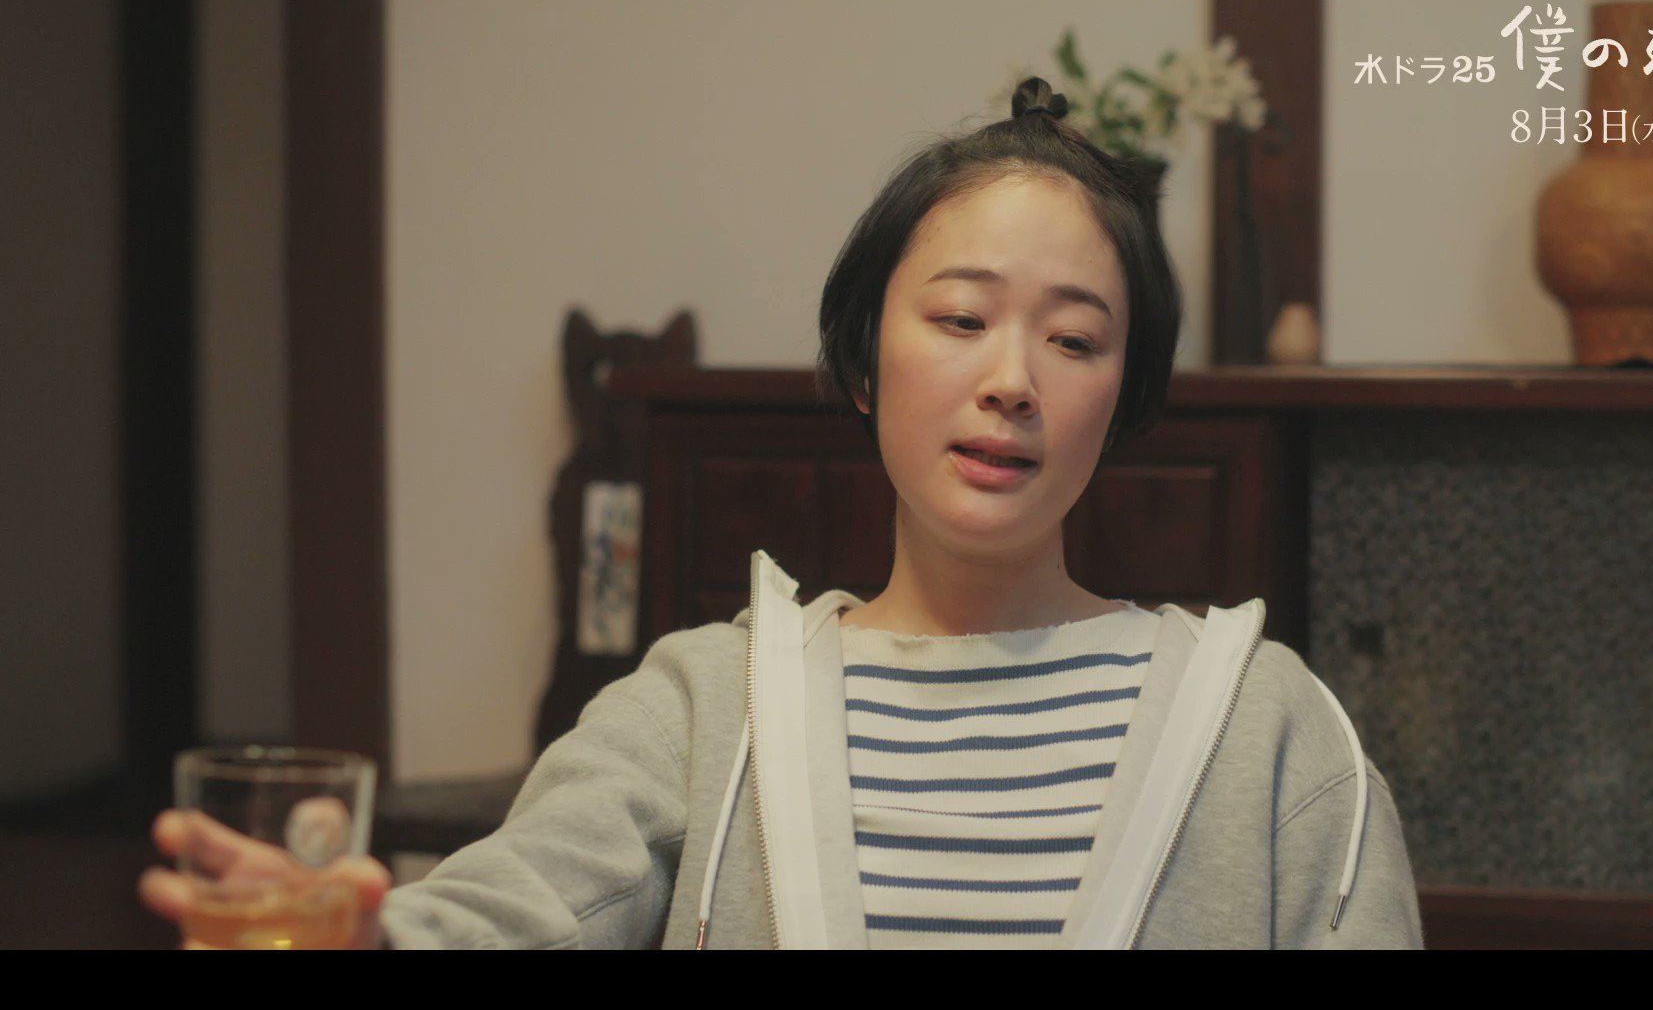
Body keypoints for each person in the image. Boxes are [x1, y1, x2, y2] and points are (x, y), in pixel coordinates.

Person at [141, 77, 1423, 949]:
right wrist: (361, 933)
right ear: (866, 364)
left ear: (1124, 398)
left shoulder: (1269, 730)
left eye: (1075, 339)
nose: (1012, 381)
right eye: (961, 318)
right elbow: (510, 913)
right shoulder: (703, 709)